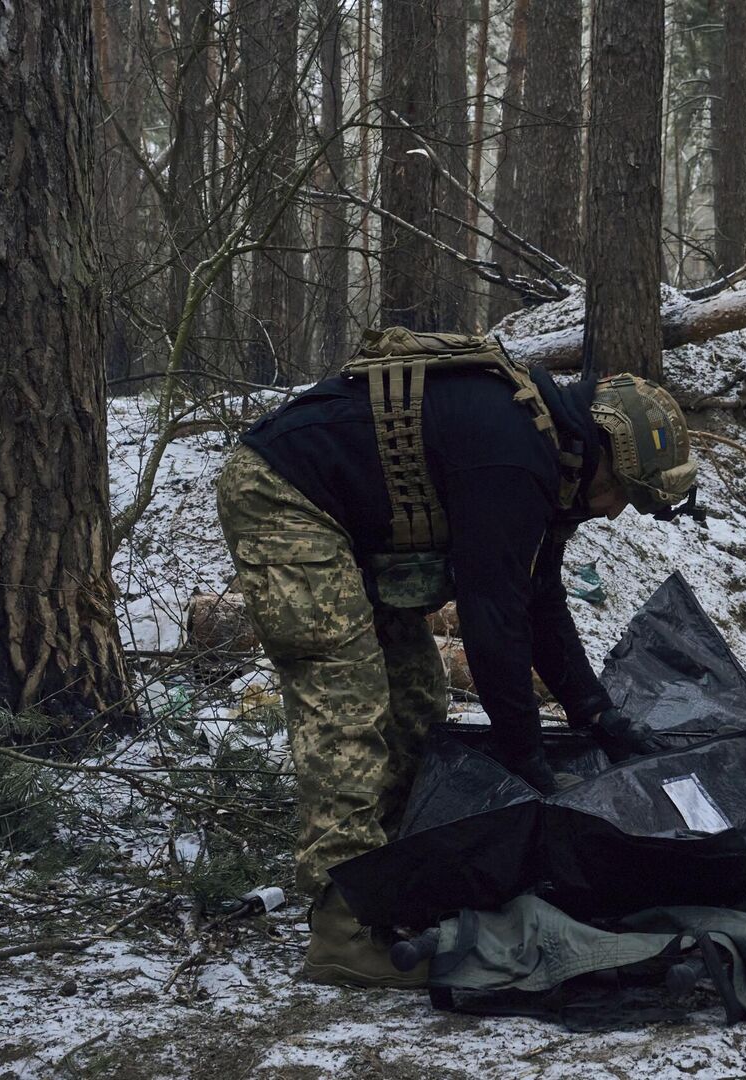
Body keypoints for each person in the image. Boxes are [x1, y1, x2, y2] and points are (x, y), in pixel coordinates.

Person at [215, 327, 695, 987]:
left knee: (415, 692)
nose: (615, 512)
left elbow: (539, 601)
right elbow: (491, 621)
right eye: (625, 491)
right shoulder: (514, 457)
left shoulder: (550, 458)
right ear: (603, 453)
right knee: (348, 701)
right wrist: (526, 759)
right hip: (284, 495)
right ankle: (341, 925)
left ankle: (386, 879)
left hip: (345, 517)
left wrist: (596, 712)